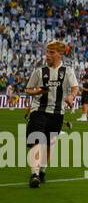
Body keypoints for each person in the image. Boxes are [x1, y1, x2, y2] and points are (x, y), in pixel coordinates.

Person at [23, 41, 78, 188]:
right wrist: (37, 91)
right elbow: (28, 89)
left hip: (57, 113)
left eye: (51, 52)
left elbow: (74, 88)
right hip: (39, 110)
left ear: (60, 54)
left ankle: (42, 171)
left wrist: (71, 97)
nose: (47, 55)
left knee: (48, 145)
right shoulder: (39, 71)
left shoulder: (68, 71)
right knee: (36, 140)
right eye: (47, 52)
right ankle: (34, 174)